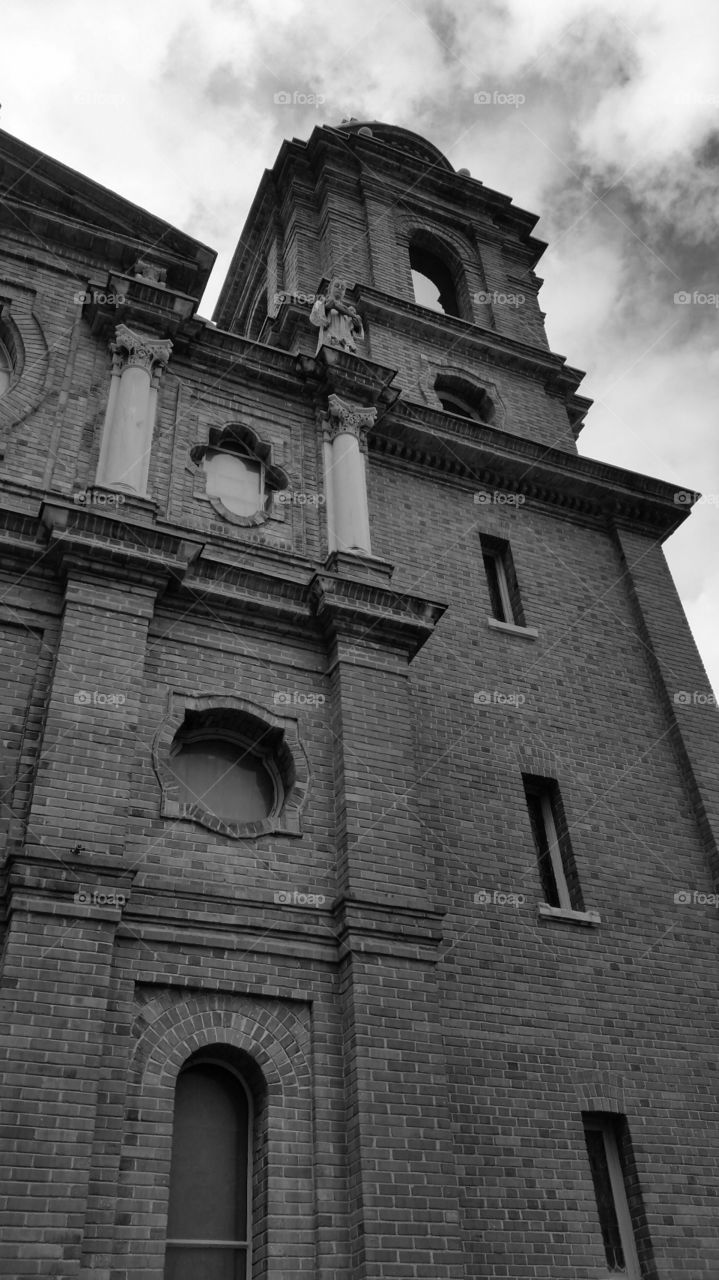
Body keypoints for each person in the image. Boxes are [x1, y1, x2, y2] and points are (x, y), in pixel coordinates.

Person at [309, 278, 364, 353]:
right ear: (330, 289)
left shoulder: (348, 314)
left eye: (343, 288)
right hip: (330, 343)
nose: (340, 288)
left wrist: (357, 326)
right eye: (337, 285)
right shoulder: (321, 303)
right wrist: (326, 308)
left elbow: (359, 337)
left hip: (347, 348)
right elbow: (314, 319)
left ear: (344, 293)